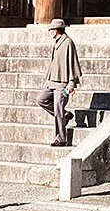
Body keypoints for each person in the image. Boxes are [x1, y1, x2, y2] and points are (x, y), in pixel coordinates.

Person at [35, 18, 82, 147]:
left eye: (51, 29)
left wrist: (72, 82)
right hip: (52, 81)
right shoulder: (56, 43)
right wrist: (47, 79)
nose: (50, 32)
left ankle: (61, 138)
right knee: (41, 100)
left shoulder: (67, 43)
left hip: (63, 82)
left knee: (58, 108)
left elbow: (72, 62)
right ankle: (66, 116)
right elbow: (53, 63)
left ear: (57, 30)